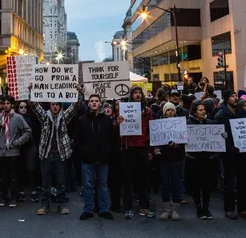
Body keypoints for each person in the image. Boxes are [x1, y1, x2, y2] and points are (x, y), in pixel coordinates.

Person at [29, 84, 83, 216]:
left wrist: (78, 92)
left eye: (57, 105)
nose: (54, 107)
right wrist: (31, 91)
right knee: (45, 182)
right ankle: (45, 205)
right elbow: (35, 107)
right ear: (50, 106)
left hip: (60, 154)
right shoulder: (45, 117)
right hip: (46, 154)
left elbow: (75, 106)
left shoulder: (64, 117)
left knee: (61, 181)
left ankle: (61, 205)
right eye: (52, 104)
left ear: (60, 106)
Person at [76, 93, 117, 221]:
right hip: (87, 159)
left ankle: (103, 209)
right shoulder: (82, 120)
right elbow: (78, 139)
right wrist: (83, 152)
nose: (94, 103)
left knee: (103, 185)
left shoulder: (106, 120)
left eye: (96, 101)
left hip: (103, 158)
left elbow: (112, 138)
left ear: (100, 104)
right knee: (88, 185)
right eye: (92, 101)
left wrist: (108, 152)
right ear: (88, 104)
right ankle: (88, 209)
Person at [0, 95, 32, 208]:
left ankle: (14, 198)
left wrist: (17, 142)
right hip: (0, 151)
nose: (6, 105)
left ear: (12, 105)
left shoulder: (17, 118)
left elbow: (27, 131)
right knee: (3, 177)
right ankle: (4, 197)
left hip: (12, 151)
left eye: (8, 103)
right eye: (4, 103)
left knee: (13, 176)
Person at [214, 91, 246, 220]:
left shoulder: (242, 113)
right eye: (232, 96)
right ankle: (229, 209)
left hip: (243, 151)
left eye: (236, 96)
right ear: (226, 99)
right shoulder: (221, 115)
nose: (235, 98)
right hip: (229, 153)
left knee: (244, 181)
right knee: (229, 182)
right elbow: (217, 134)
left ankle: (243, 208)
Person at [119, 85, 155, 219]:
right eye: (135, 93)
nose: (138, 95)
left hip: (143, 148)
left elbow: (151, 130)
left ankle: (144, 207)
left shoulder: (147, 111)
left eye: (140, 92)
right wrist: (118, 123)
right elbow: (118, 130)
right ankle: (128, 208)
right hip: (129, 148)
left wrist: (150, 150)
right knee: (128, 180)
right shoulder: (124, 110)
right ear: (131, 95)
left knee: (144, 179)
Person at [187, 101, 221, 219]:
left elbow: (217, 139)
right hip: (194, 159)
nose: (203, 112)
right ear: (194, 112)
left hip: (208, 159)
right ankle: (198, 208)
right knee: (196, 185)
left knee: (207, 185)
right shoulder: (189, 124)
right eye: (200, 110)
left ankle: (206, 208)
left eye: (204, 110)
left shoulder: (210, 123)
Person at [153, 102, 185, 221]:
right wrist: (156, 149)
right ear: (164, 112)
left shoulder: (180, 124)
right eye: (168, 110)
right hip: (164, 159)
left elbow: (183, 141)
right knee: (165, 184)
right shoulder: (159, 124)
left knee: (176, 184)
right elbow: (155, 139)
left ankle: (175, 209)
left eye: (172, 110)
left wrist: (177, 145)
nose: (170, 112)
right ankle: (166, 208)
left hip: (177, 158)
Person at [16, 101, 41, 203]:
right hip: (18, 147)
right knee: (20, 169)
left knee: (31, 169)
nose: (23, 109)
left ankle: (33, 191)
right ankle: (21, 192)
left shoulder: (32, 118)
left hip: (30, 146)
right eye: (21, 107)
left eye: (25, 107)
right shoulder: (14, 118)